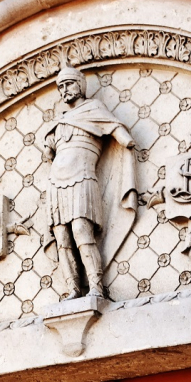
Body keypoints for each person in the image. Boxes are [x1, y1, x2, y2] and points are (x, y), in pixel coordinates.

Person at [42, 66, 137, 298]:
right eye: (60, 86)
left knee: (81, 230)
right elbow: (49, 151)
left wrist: (124, 138)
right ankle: (72, 288)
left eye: (69, 84)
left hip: (82, 178)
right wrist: (49, 146)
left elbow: (114, 126)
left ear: (80, 85)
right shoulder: (60, 120)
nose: (64, 90)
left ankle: (95, 286)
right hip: (56, 182)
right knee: (62, 236)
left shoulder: (94, 109)